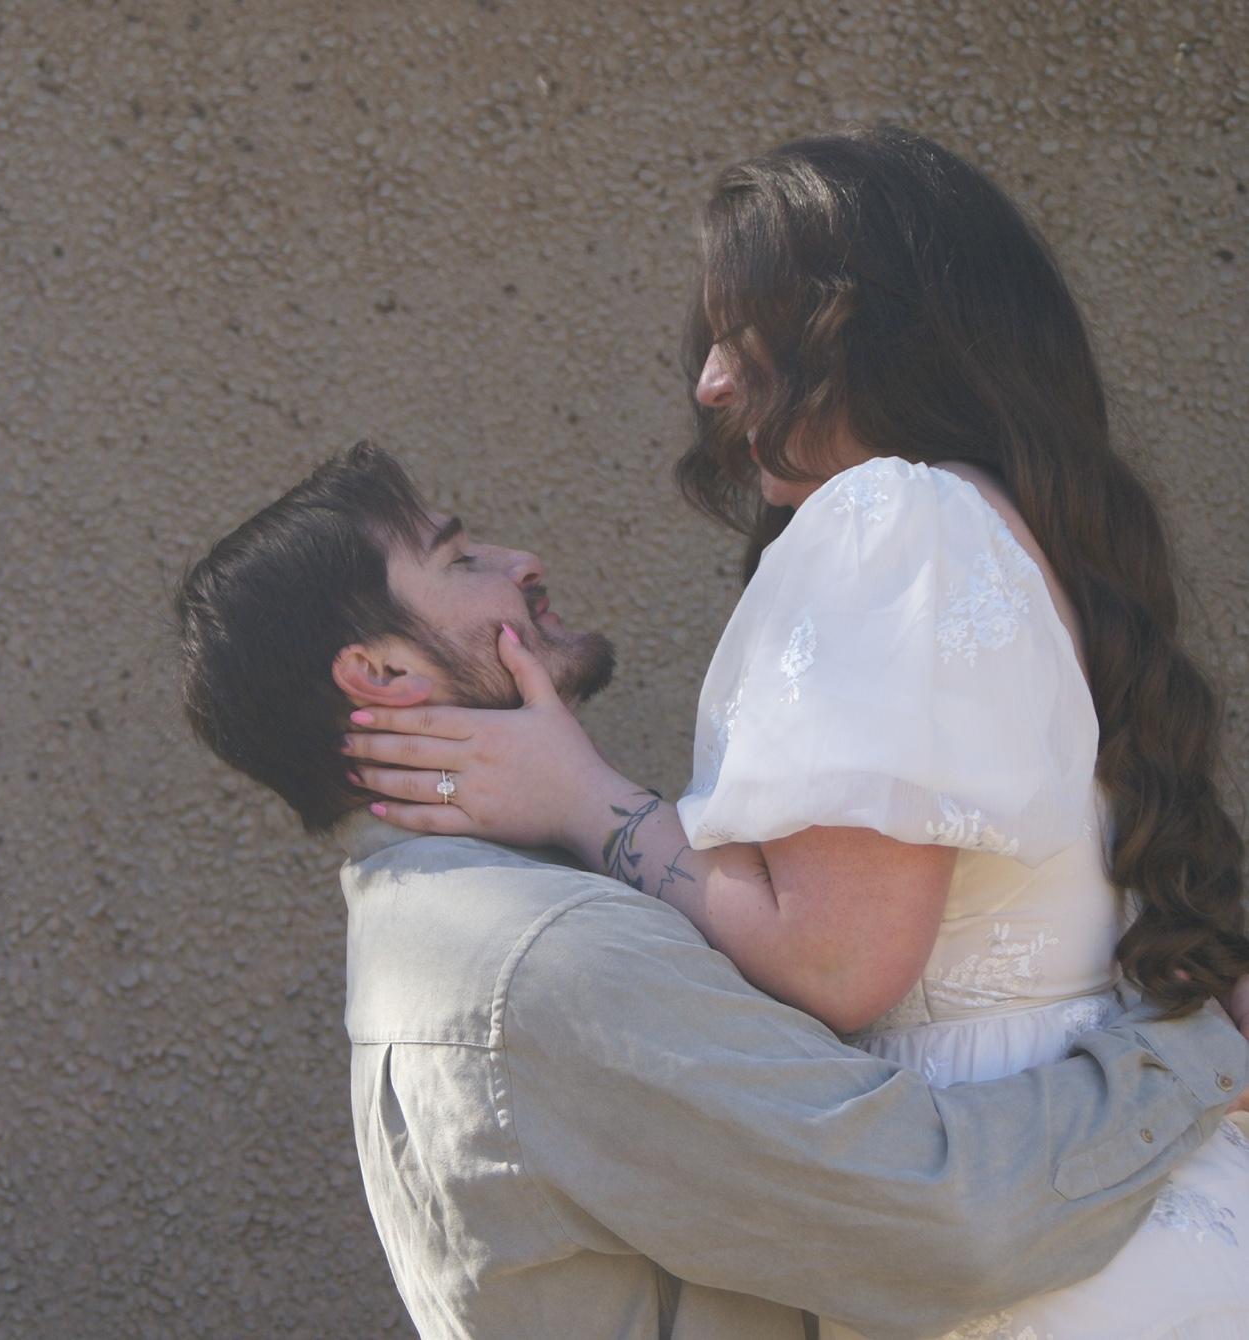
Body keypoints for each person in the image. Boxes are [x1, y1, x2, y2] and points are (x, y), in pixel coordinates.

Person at [341, 128, 1249, 1337]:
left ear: (868, 331)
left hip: (1029, 1260)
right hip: (1120, 1208)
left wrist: (583, 798)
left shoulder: (887, 516)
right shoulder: (1009, 523)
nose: (709, 384)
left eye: (744, 334)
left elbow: (833, 961)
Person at [175, 442, 1249, 1340]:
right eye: (460, 558)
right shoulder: (544, 956)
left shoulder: (440, 927)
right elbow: (936, 1219)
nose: (520, 562)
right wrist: (1205, 1052)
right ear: (382, 675)